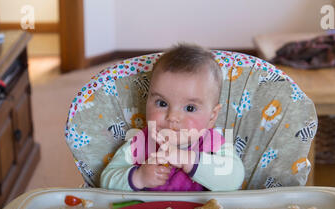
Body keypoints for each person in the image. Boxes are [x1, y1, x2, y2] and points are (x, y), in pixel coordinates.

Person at [100, 43, 244, 191]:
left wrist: (189, 160)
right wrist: (138, 177)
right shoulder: (140, 143)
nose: (173, 117)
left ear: (212, 117)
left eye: (190, 108)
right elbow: (106, 180)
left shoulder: (213, 144)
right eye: (162, 103)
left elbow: (235, 179)